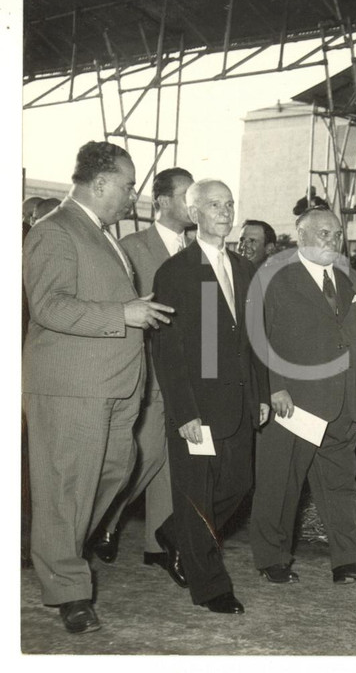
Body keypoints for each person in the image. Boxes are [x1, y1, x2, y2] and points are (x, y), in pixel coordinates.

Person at [22, 141, 173, 634]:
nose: (133, 195)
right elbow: (49, 305)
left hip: (115, 384)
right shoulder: (55, 231)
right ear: (101, 182)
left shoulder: (102, 234)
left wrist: (132, 308)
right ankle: (69, 589)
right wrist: (122, 313)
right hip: (73, 384)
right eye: (129, 185)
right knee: (69, 487)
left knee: (116, 470)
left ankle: (55, 550)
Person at [248, 208, 356, 585]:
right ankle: (272, 557)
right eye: (323, 233)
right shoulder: (273, 278)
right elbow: (258, 337)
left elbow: (352, 339)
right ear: (300, 234)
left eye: (337, 234)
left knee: (341, 484)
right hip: (294, 399)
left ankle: (348, 560)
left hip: (344, 400)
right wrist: (274, 386)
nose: (332, 241)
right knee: (281, 483)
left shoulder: (350, 278)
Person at [150, 179, 269, 615]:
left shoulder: (245, 269)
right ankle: (210, 586)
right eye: (214, 204)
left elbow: (252, 339)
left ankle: (175, 532)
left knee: (240, 484)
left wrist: (259, 393)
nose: (224, 211)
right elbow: (170, 350)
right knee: (198, 494)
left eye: (229, 204)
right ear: (193, 211)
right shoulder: (177, 272)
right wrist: (184, 412)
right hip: (197, 408)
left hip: (238, 401)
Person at [89, 167, 194, 589]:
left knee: (174, 461)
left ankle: (157, 545)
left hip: (186, 376)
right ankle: (101, 522)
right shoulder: (131, 248)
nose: (194, 204)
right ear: (163, 201)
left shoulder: (198, 251)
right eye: (188, 195)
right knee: (145, 455)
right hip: (148, 370)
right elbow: (125, 312)